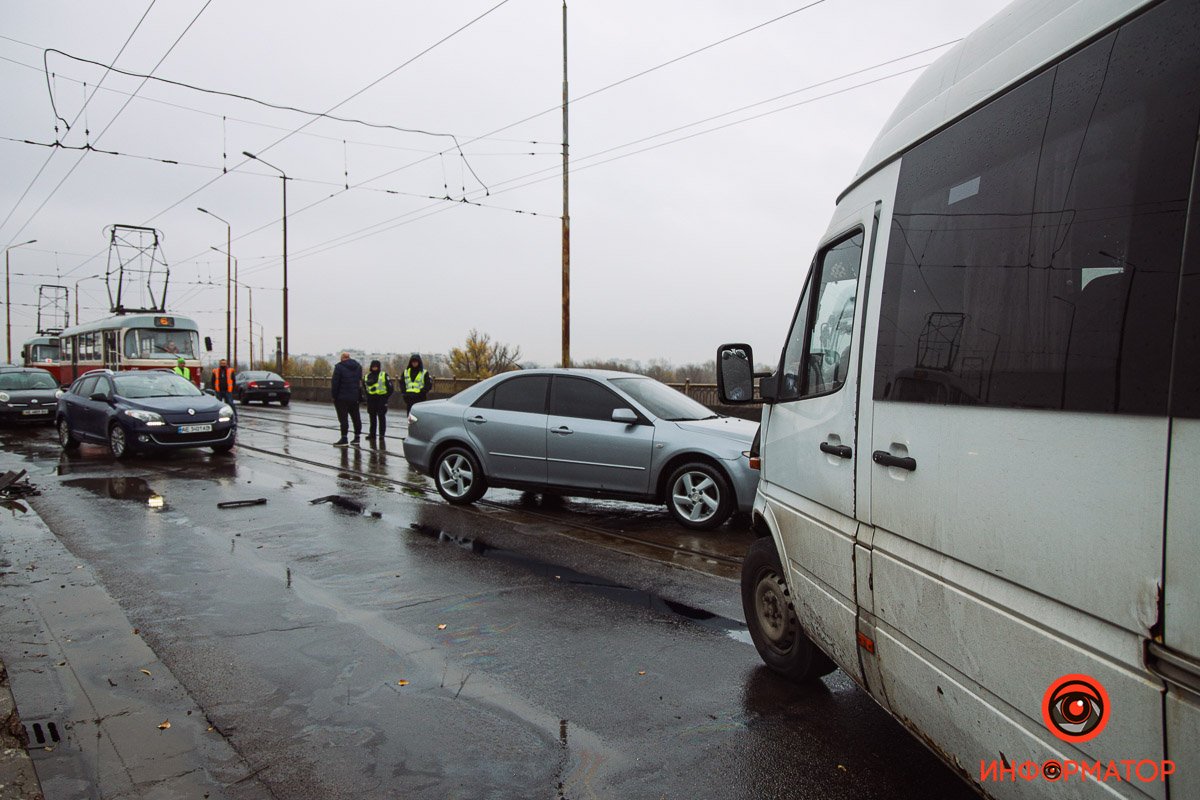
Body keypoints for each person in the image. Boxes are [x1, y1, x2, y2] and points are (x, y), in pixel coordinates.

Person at [331, 351, 363, 446]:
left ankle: (344, 438)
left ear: (342, 358)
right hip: (354, 396)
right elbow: (359, 382)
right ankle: (357, 437)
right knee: (356, 417)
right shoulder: (358, 367)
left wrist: (334, 396)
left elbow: (335, 383)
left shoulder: (339, 367)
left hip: (342, 397)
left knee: (343, 419)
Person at [362, 359, 393, 442]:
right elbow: (364, 388)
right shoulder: (367, 376)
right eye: (373, 366)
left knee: (381, 417)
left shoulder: (383, 375)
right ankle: (372, 434)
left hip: (381, 399)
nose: (374, 368)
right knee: (372, 418)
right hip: (371, 399)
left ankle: (381, 435)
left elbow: (390, 388)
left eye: (376, 366)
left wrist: (385, 397)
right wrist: (366, 397)